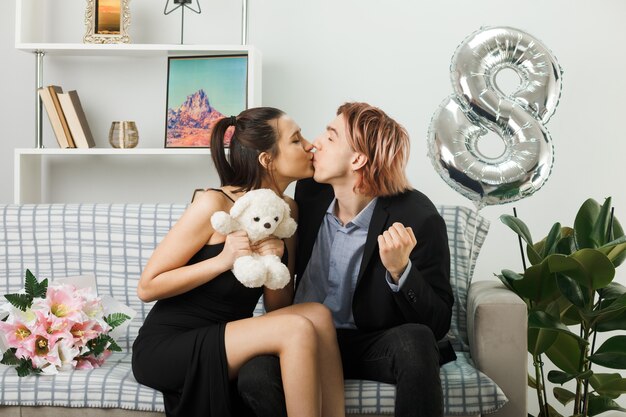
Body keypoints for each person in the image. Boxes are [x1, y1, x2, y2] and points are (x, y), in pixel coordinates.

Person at [238, 102, 455, 417]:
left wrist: (401, 271)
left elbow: (438, 322)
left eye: (331, 136)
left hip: (369, 342)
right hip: (304, 339)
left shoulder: (418, 217)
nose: (316, 143)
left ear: (358, 158)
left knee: (416, 340)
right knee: (255, 373)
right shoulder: (310, 193)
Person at [131, 107, 346, 417]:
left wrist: (276, 259)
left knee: (318, 316)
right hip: (169, 346)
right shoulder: (215, 203)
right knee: (296, 329)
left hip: (229, 334)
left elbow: (278, 308)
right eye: (296, 140)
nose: (310, 145)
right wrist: (224, 260)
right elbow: (147, 287)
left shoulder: (288, 210)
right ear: (267, 159)